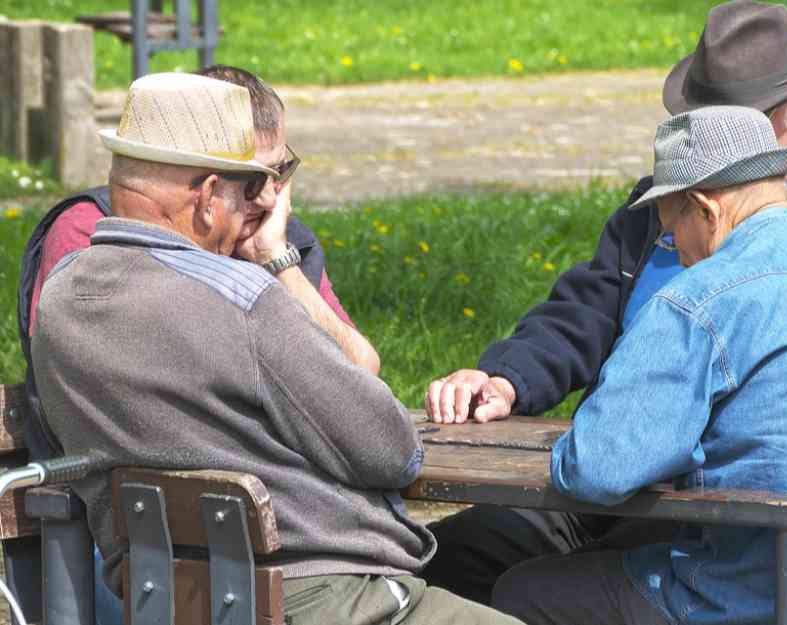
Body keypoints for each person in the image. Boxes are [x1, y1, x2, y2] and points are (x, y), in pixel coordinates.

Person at [422, 0, 787, 604]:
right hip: (626, 485)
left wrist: (630, 444)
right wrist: (506, 377)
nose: (718, 141)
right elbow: (587, 308)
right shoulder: (665, 205)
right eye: (704, 119)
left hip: (729, 516)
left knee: (535, 592)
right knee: (443, 557)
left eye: (743, 121)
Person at [30, 72, 521, 625]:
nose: (261, 203)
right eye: (249, 187)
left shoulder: (61, 297)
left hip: (163, 596)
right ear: (210, 195)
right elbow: (391, 447)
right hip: (322, 594)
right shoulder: (241, 299)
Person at [488, 105, 787, 625]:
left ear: (705, 209)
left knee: (524, 590)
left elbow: (595, 470)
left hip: (769, 600)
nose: (678, 253)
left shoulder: (700, 302)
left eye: (671, 235)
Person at [8, 64, 381, 625]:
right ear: (207, 184)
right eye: (251, 180)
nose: (270, 196)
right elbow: (153, 411)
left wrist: (277, 265)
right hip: (127, 539)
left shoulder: (275, 243)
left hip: (282, 529)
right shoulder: (92, 238)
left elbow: (361, 379)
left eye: (281, 172)